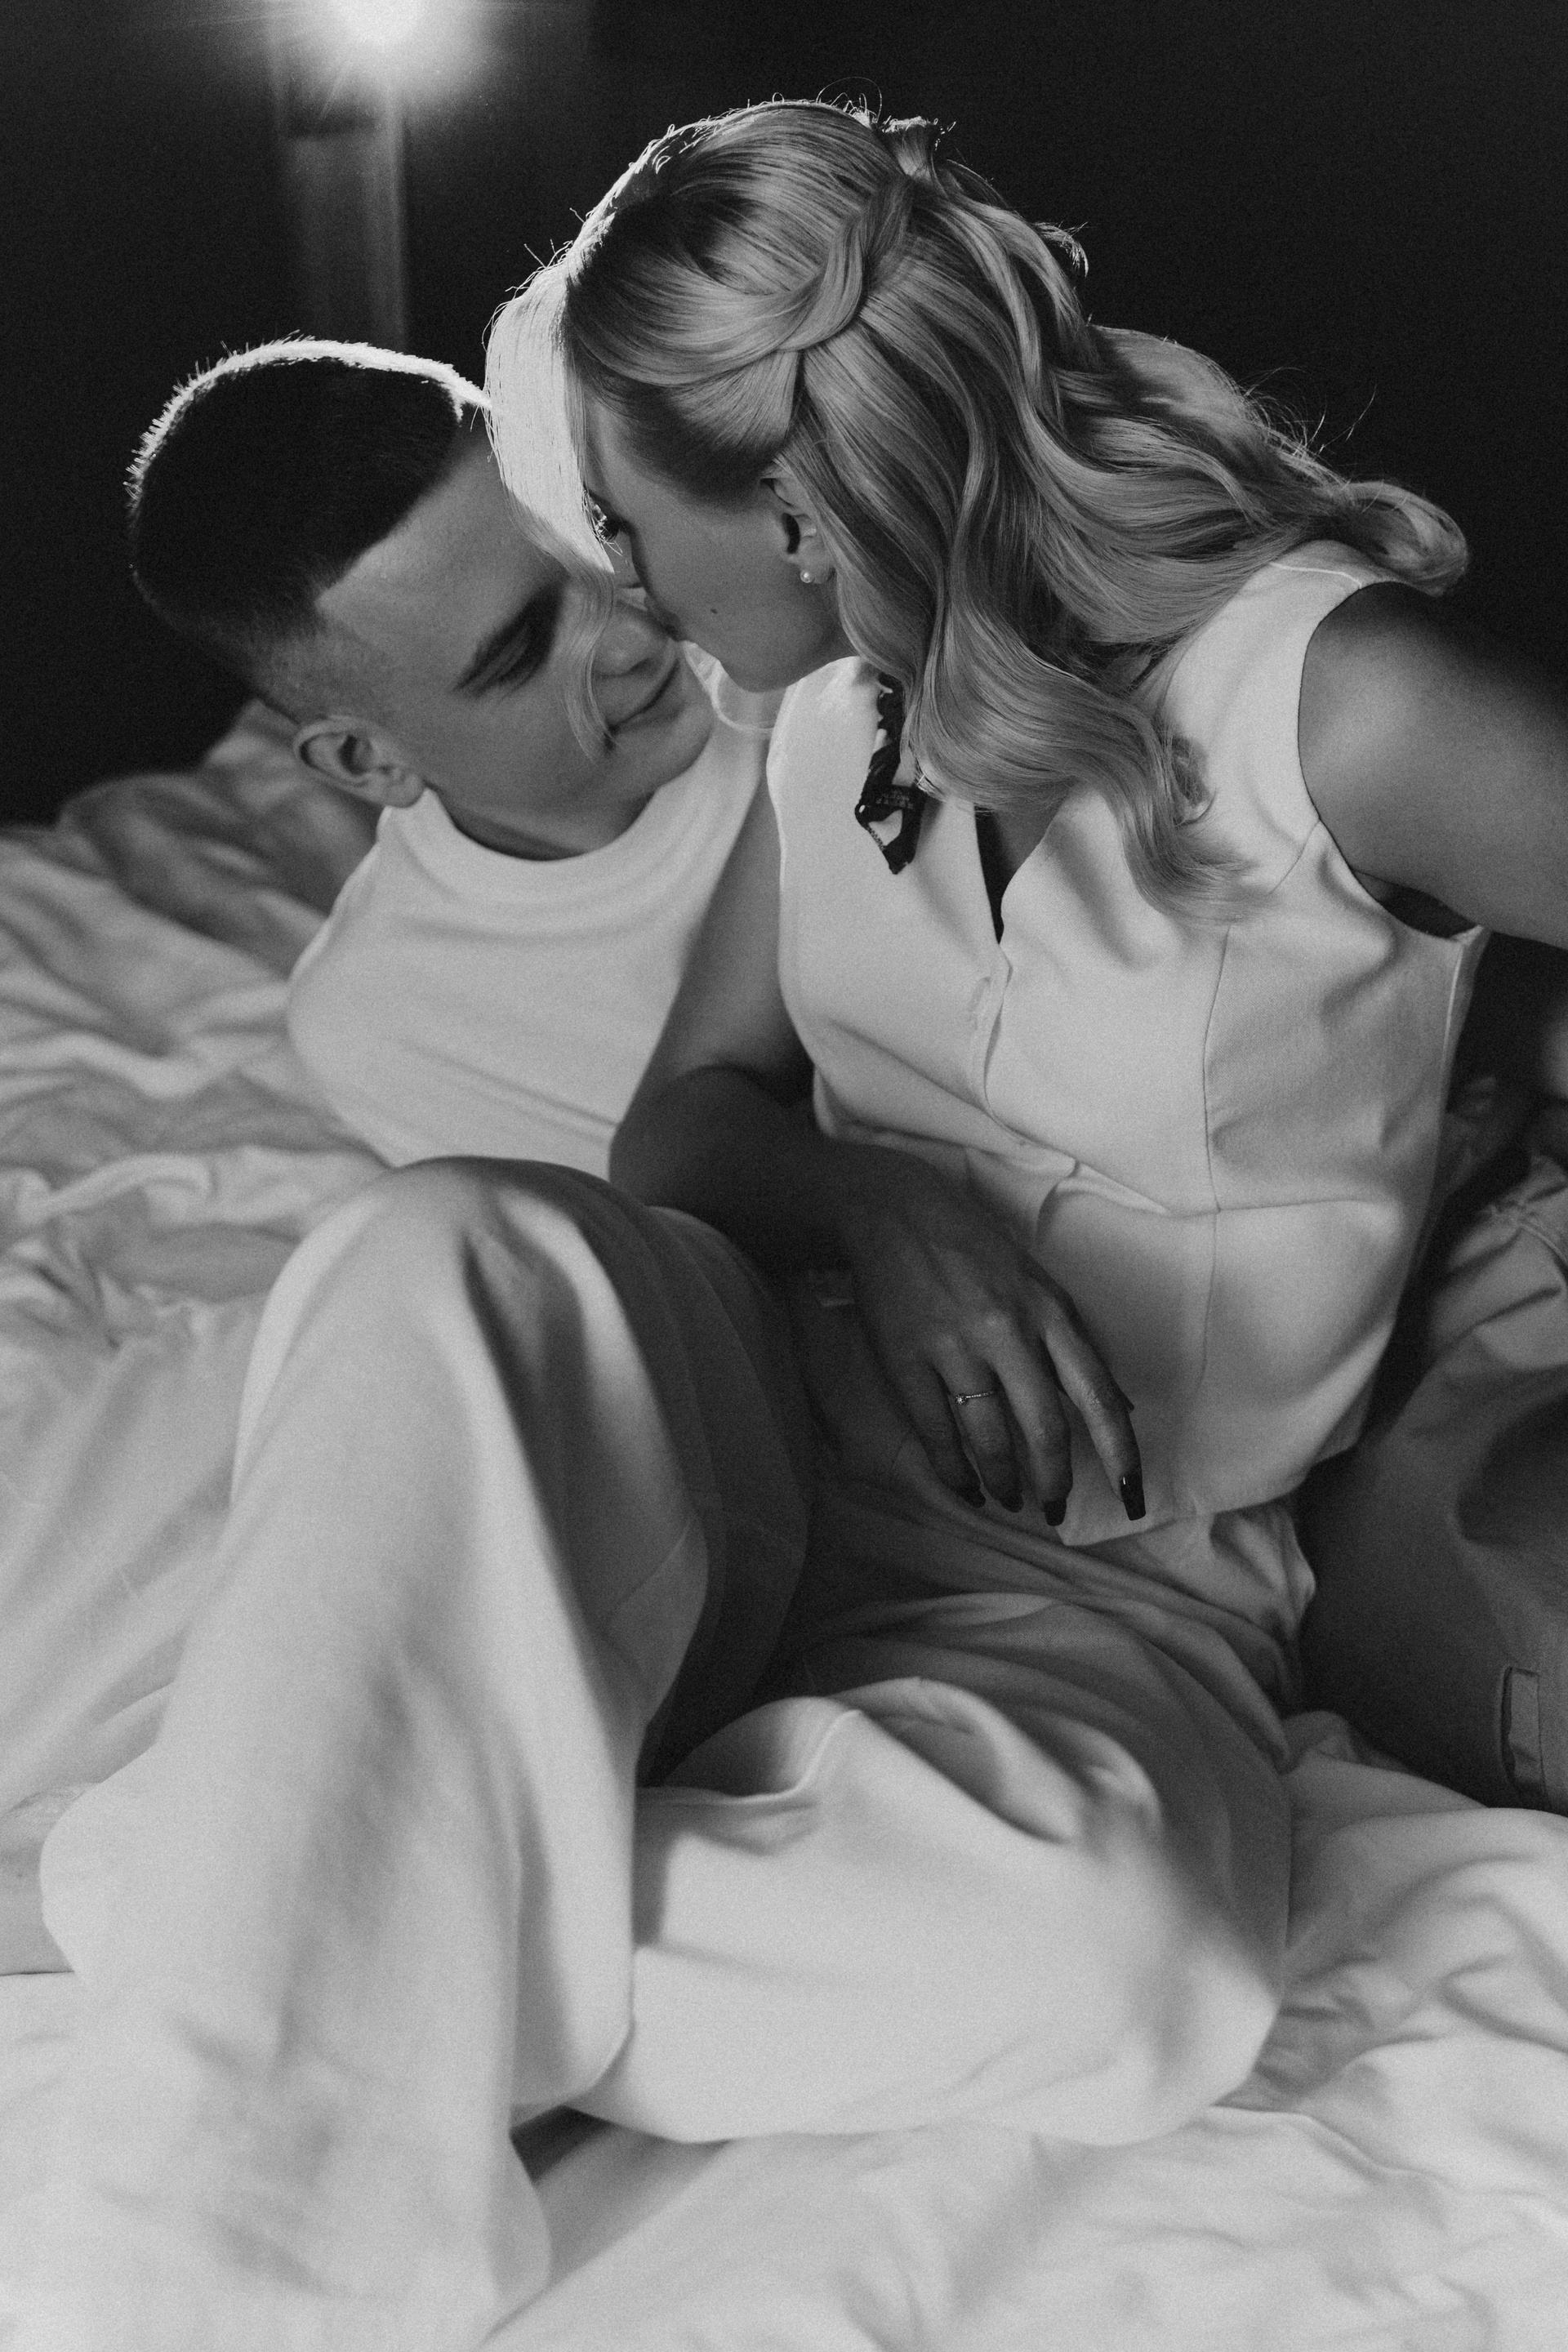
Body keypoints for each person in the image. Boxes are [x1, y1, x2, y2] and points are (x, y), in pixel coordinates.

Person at [128, 339, 773, 1173]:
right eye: (523, 652)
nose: (636, 640)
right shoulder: (387, 1028)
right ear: (366, 763)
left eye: (596, 531)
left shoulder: (805, 633)